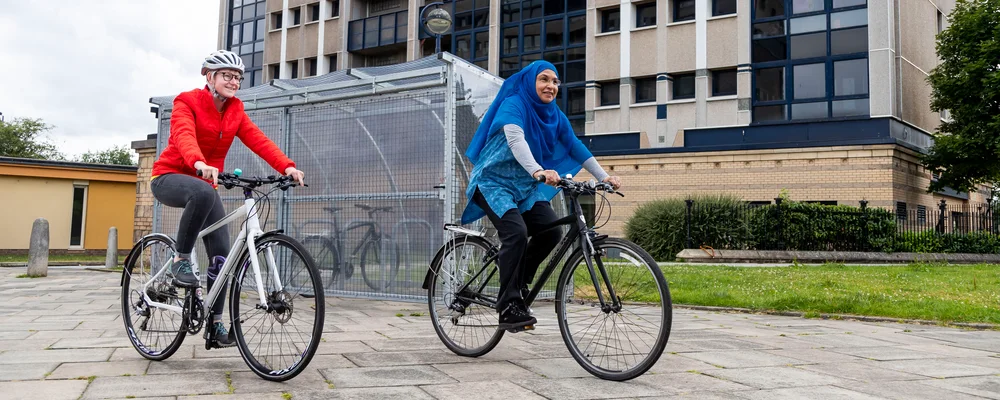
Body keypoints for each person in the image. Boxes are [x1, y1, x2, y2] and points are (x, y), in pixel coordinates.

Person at [150, 50, 306, 348]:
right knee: (203, 190)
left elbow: (258, 140)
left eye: (237, 77)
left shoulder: (236, 110)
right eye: (227, 76)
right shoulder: (188, 101)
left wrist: (286, 165)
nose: (233, 82)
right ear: (210, 77)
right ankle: (180, 260)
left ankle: (216, 324)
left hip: (205, 186)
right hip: (169, 177)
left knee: (221, 255)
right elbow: (184, 135)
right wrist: (197, 162)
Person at [460, 61, 622, 332]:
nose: (551, 86)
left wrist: (604, 177)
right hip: (493, 184)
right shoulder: (515, 103)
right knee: (516, 233)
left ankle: (518, 281)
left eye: (555, 81)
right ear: (530, 82)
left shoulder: (553, 114)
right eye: (544, 79)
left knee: (551, 232)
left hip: (524, 188)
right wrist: (538, 170)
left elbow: (574, 146)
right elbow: (516, 140)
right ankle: (509, 306)